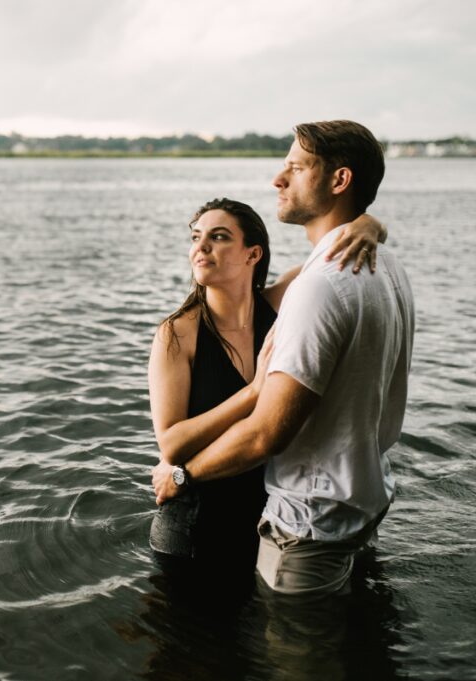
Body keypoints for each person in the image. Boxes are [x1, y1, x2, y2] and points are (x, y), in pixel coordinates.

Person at [152, 120, 415, 597]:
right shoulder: (177, 333)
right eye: (195, 237)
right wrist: (253, 394)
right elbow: (171, 446)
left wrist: (370, 224)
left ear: (254, 255)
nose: (200, 247)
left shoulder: (286, 299)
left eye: (218, 237)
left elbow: (333, 257)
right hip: (197, 519)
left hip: (268, 513)